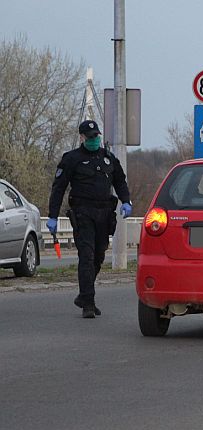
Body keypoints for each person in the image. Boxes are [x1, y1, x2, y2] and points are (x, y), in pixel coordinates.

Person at [47, 120, 132, 318]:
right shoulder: (72, 159)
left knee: (99, 256)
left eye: (97, 136)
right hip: (83, 213)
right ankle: (89, 303)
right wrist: (52, 216)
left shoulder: (108, 158)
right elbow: (58, 188)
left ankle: (83, 295)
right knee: (86, 256)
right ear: (82, 137)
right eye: (91, 136)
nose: (95, 139)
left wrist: (126, 201)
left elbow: (120, 180)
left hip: (104, 214)